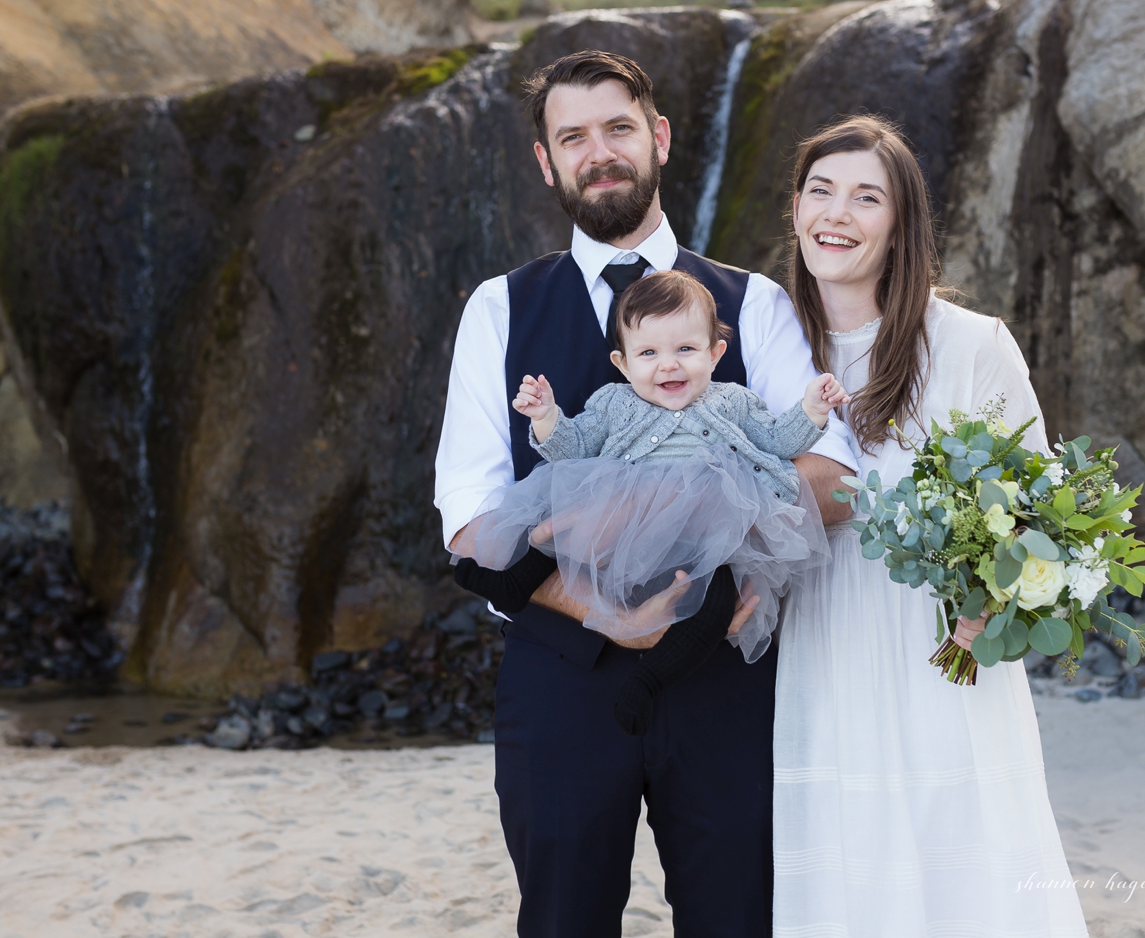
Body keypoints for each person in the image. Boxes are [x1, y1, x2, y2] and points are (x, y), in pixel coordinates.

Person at [432, 50, 856, 938]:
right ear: (548, 163)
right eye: (573, 137)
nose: (601, 152)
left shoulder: (760, 302)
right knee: (563, 922)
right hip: (561, 681)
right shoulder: (497, 310)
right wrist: (597, 609)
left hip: (727, 679)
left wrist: (692, 529)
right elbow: (469, 521)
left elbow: (834, 474)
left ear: (658, 137)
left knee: (742, 919)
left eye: (619, 127)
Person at [772, 115, 1090, 936]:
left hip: (942, 656)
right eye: (820, 191)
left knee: (962, 871)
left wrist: (991, 600)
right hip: (819, 640)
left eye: (865, 197)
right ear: (797, 208)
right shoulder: (769, 350)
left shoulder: (971, 344)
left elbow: (1046, 513)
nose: (835, 213)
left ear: (901, 223)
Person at [450, 270, 847, 736]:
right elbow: (574, 448)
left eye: (685, 350)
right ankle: (511, 580)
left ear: (715, 353)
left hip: (704, 541)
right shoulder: (613, 403)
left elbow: (778, 441)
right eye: (649, 354)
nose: (669, 366)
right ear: (622, 363)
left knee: (717, 606)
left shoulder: (735, 402)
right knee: (561, 524)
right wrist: (546, 417)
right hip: (619, 524)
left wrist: (813, 411)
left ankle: (649, 681)